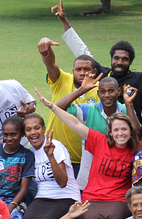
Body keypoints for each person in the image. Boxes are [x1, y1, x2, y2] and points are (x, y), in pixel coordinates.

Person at [37, 88, 142, 219]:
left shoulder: (135, 148)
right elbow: (74, 122)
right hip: (93, 197)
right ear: (110, 131)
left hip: (118, 198)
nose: (120, 133)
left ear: (130, 131)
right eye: (116, 130)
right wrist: (52, 106)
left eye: (124, 129)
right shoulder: (99, 141)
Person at [51, 0, 142, 122]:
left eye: (125, 59)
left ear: (131, 62)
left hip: (132, 134)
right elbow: (82, 52)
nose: (120, 62)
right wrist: (65, 21)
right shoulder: (102, 75)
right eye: (116, 58)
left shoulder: (139, 79)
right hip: (106, 134)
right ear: (111, 59)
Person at [21, 113, 81, 219]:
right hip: (43, 197)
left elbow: (62, 182)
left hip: (66, 196)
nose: (33, 132)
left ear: (44, 129)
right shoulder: (30, 153)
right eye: (28, 129)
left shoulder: (56, 146)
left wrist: (51, 156)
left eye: (37, 128)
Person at [55, 74, 138, 189]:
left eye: (111, 91)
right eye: (103, 92)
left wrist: (129, 104)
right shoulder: (89, 109)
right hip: (91, 176)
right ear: (98, 93)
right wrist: (81, 90)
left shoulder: (125, 109)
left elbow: (137, 134)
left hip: (120, 175)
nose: (107, 95)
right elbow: (58, 109)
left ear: (118, 91)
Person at [37, 32, 99, 176]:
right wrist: (45, 46)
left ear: (94, 71)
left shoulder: (102, 90)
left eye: (87, 69)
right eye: (78, 69)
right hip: (56, 154)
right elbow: (50, 63)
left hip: (85, 160)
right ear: (73, 71)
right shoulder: (62, 80)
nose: (82, 73)